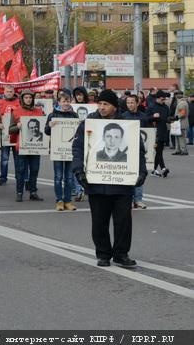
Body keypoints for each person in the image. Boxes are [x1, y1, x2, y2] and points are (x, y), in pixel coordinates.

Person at [72, 89, 146, 268]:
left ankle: (121, 254)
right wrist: (79, 171)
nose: (102, 107)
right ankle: (103, 253)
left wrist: (142, 172)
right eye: (100, 103)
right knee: (99, 221)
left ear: (114, 107)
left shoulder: (127, 124)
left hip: (122, 183)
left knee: (123, 222)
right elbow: (78, 148)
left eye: (106, 104)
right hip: (96, 182)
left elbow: (138, 151)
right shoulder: (88, 123)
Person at [45, 92, 79, 211]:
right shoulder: (52, 115)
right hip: (57, 150)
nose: (65, 103)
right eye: (63, 101)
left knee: (69, 177)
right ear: (59, 102)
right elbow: (46, 131)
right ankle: (59, 200)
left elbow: (78, 132)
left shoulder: (74, 115)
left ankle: (68, 201)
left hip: (70, 150)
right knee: (58, 176)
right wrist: (50, 125)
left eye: (67, 101)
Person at [9, 90, 45, 202]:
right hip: (22, 147)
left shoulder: (39, 111)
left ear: (33, 99)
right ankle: (19, 192)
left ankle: (33, 192)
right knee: (21, 170)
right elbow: (10, 129)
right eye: (26, 97)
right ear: (22, 99)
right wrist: (17, 126)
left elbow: (43, 127)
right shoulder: (16, 112)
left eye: (30, 97)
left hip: (36, 146)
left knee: (34, 169)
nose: (28, 99)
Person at [122, 95, 151, 209]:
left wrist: (153, 143)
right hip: (126, 149)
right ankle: (128, 199)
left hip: (140, 149)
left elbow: (150, 132)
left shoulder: (143, 117)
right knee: (128, 174)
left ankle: (138, 199)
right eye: (128, 103)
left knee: (140, 174)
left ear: (137, 103)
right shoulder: (123, 117)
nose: (130, 105)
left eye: (132, 102)